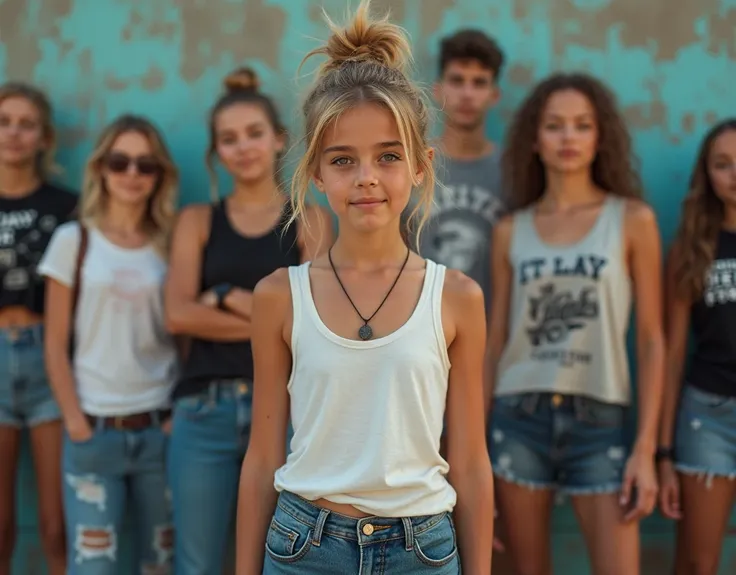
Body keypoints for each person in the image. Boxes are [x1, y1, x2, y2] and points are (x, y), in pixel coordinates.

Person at [235, 1, 494, 573]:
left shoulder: (457, 299)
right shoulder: (280, 295)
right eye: (344, 160)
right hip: (303, 546)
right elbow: (261, 458)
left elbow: (472, 461)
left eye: (388, 156)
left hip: (421, 550)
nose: (367, 177)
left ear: (421, 166)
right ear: (317, 172)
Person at [485, 73, 664, 575]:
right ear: (535, 140)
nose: (568, 138)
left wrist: (646, 449)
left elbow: (651, 341)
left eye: (582, 125)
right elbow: (495, 340)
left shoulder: (632, 220)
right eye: (555, 126)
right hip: (517, 414)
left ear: (599, 136)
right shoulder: (509, 230)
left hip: (600, 419)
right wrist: (473, 449)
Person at [164, 67, 333, 574]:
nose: (243, 148)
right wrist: (271, 322)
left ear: (279, 139)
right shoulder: (197, 222)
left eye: (254, 134)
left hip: (286, 411)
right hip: (203, 412)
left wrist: (222, 300)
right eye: (228, 139)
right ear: (216, 152)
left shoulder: (310, 220)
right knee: (196, 564)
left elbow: (319, 324)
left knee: (279, 561)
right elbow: (176, 314)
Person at [40, 115, 179, 574]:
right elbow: (55, 343)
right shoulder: (73, 240)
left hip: (160, 429)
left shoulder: (172, 244)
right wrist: (76, 422)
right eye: (120, 162)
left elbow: (185, 334)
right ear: (101, 167)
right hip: (93, 431)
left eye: (146, 165)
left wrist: (174, 415)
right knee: (92, 566)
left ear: (160, 175)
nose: (132, 174)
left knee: (160, 562)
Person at [0, 82, 77, 575]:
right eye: (5, 121)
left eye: (26, 124)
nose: (14, 133)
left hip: (48, 354)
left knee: (54, 524)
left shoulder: (65, 206)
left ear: (44, 137)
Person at [658, 118, 736, 575]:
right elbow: (671, 353)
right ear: (707, 174)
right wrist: (664, 453)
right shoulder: (692, 248)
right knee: (697, 561)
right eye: (722, 164)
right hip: (708, 417)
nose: (733, 174)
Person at [419, 29, 506, 306]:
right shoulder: (412, 164)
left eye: (479, 83)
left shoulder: (514, 171)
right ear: (438, 89)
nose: (467, 94)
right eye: (457, 81)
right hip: (417, 331)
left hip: (489, 333)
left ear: (494, 95)